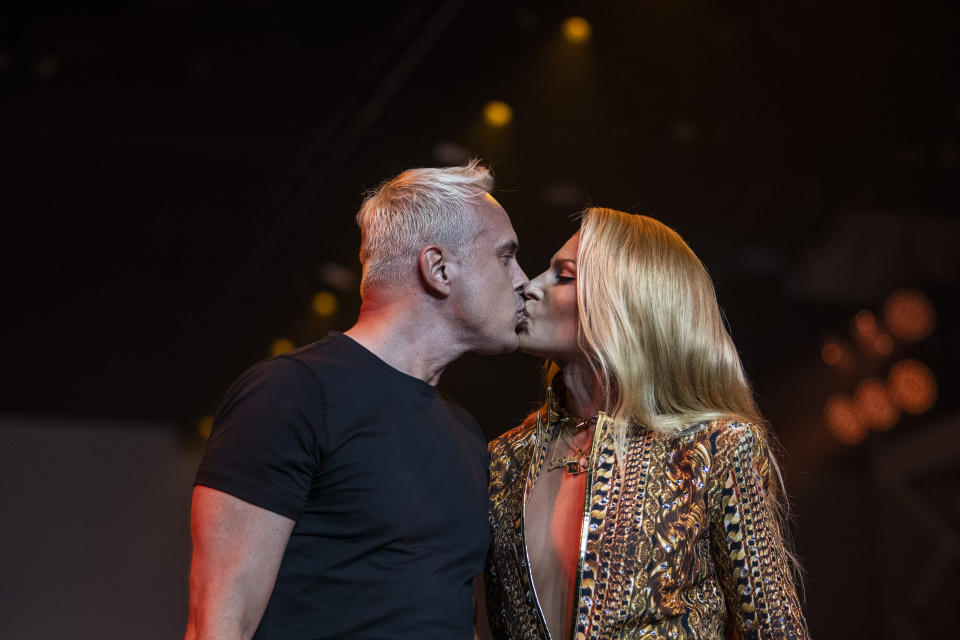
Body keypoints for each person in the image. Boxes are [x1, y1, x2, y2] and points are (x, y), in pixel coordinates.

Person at [185, 160, 528, 640]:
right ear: (439, 268)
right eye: (505, 256)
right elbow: (218, 624)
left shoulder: (465, 432)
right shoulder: (294, 392)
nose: (523, 281)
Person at [485, 208, 809, 639]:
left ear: (625, 301)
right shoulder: (502, 460)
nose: (530, 285)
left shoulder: (715, 447)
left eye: (563, 276)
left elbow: (775, 631)